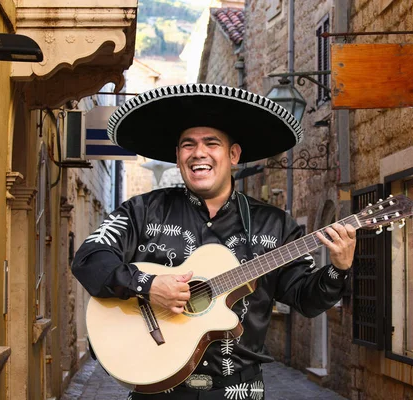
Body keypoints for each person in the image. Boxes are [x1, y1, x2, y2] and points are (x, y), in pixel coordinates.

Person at [71, 83, 356, 400]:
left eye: (211, 143)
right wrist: (147, 284)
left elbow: (306, 299)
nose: (198, 153)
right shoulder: (141, 212)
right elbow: (88, 258)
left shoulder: (276, 226)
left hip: (239, 392)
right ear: (178, 156)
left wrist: (339, 269)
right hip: (156, 390)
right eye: (187, 145)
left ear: (233, 155)